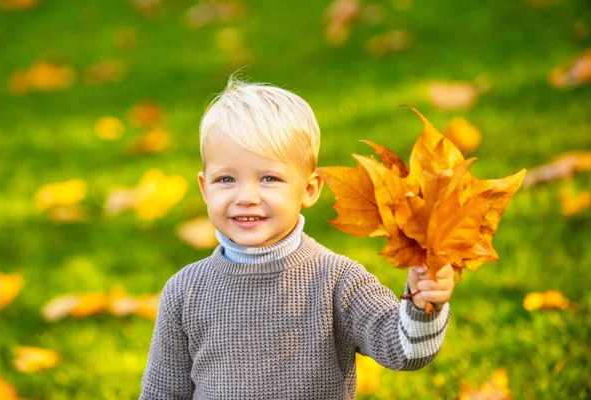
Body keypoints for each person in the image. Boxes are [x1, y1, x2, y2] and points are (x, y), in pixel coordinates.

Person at [140, 77, 455, 399]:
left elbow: (404, 352)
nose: (246, 196)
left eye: (269, 178)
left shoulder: (337, 280)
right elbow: (163, 392)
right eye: (226, 179)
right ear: (205, 188)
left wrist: (423, 303)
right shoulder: (184, 291)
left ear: (308, 189)